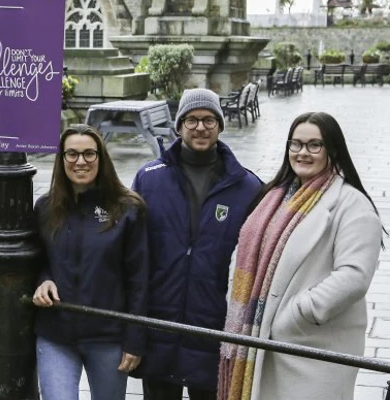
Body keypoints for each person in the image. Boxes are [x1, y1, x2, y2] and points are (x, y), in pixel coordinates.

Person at [219, 112, 384, 400]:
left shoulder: (352, 204)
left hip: (311, 349)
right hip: (259, 339)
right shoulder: (274, 196)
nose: (302, 153)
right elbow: (244, 249)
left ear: (332, 149)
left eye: (313, 145)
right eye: (295, 144)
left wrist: (295, 317)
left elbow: (354, 276)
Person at [130, 88, 261, 400]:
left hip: (211, 328)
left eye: (208, 120)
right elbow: (132, 252)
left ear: (219, 125)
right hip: (159, 326)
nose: (200, 127)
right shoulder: (149, 178)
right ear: (179, 126)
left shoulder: (248, 187)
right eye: (191, 120)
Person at [32, 124, 148, 400]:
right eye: (71, 154)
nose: (80, 162)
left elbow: (139, 279)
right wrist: (43, 279)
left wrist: (135, 339)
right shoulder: (46, 208)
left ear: (101, 158)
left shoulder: (128, 209)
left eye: (88, 154)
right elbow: (38, 260)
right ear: (61, 160)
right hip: (57, 333)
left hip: (107, 335)